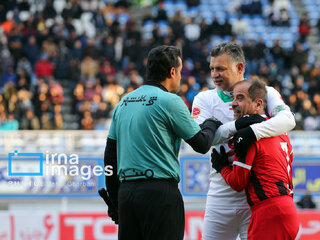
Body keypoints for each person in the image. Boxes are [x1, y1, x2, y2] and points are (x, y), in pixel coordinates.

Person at [104, 45, 222, 240]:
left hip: (127, 195)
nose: (181, 77)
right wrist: (210, 124)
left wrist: (115, 201)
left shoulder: (123, 103)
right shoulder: (170, 101)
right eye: (181, 71)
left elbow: (109, 159)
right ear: (172, 71)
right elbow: (201, 145)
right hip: (159, 193)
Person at [191, 42, 295, 240]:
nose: (214, 74)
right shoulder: (204, 99)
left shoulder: (266, 92)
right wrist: (238, 127)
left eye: (221, 69)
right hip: (220, 194)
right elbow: (201, 141)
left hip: (256, 197)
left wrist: (251, 132)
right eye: (212, 68)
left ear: (239, 68)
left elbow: (288, 120)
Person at [211, 79, 299, 240]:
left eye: (240, 98)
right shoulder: (280, 128)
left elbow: (238, 182)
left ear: (258, 104)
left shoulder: (249, 134)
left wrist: (222, 166)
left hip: (268, 213)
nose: (233, 104)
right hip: (289, 210)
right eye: (233, 98)